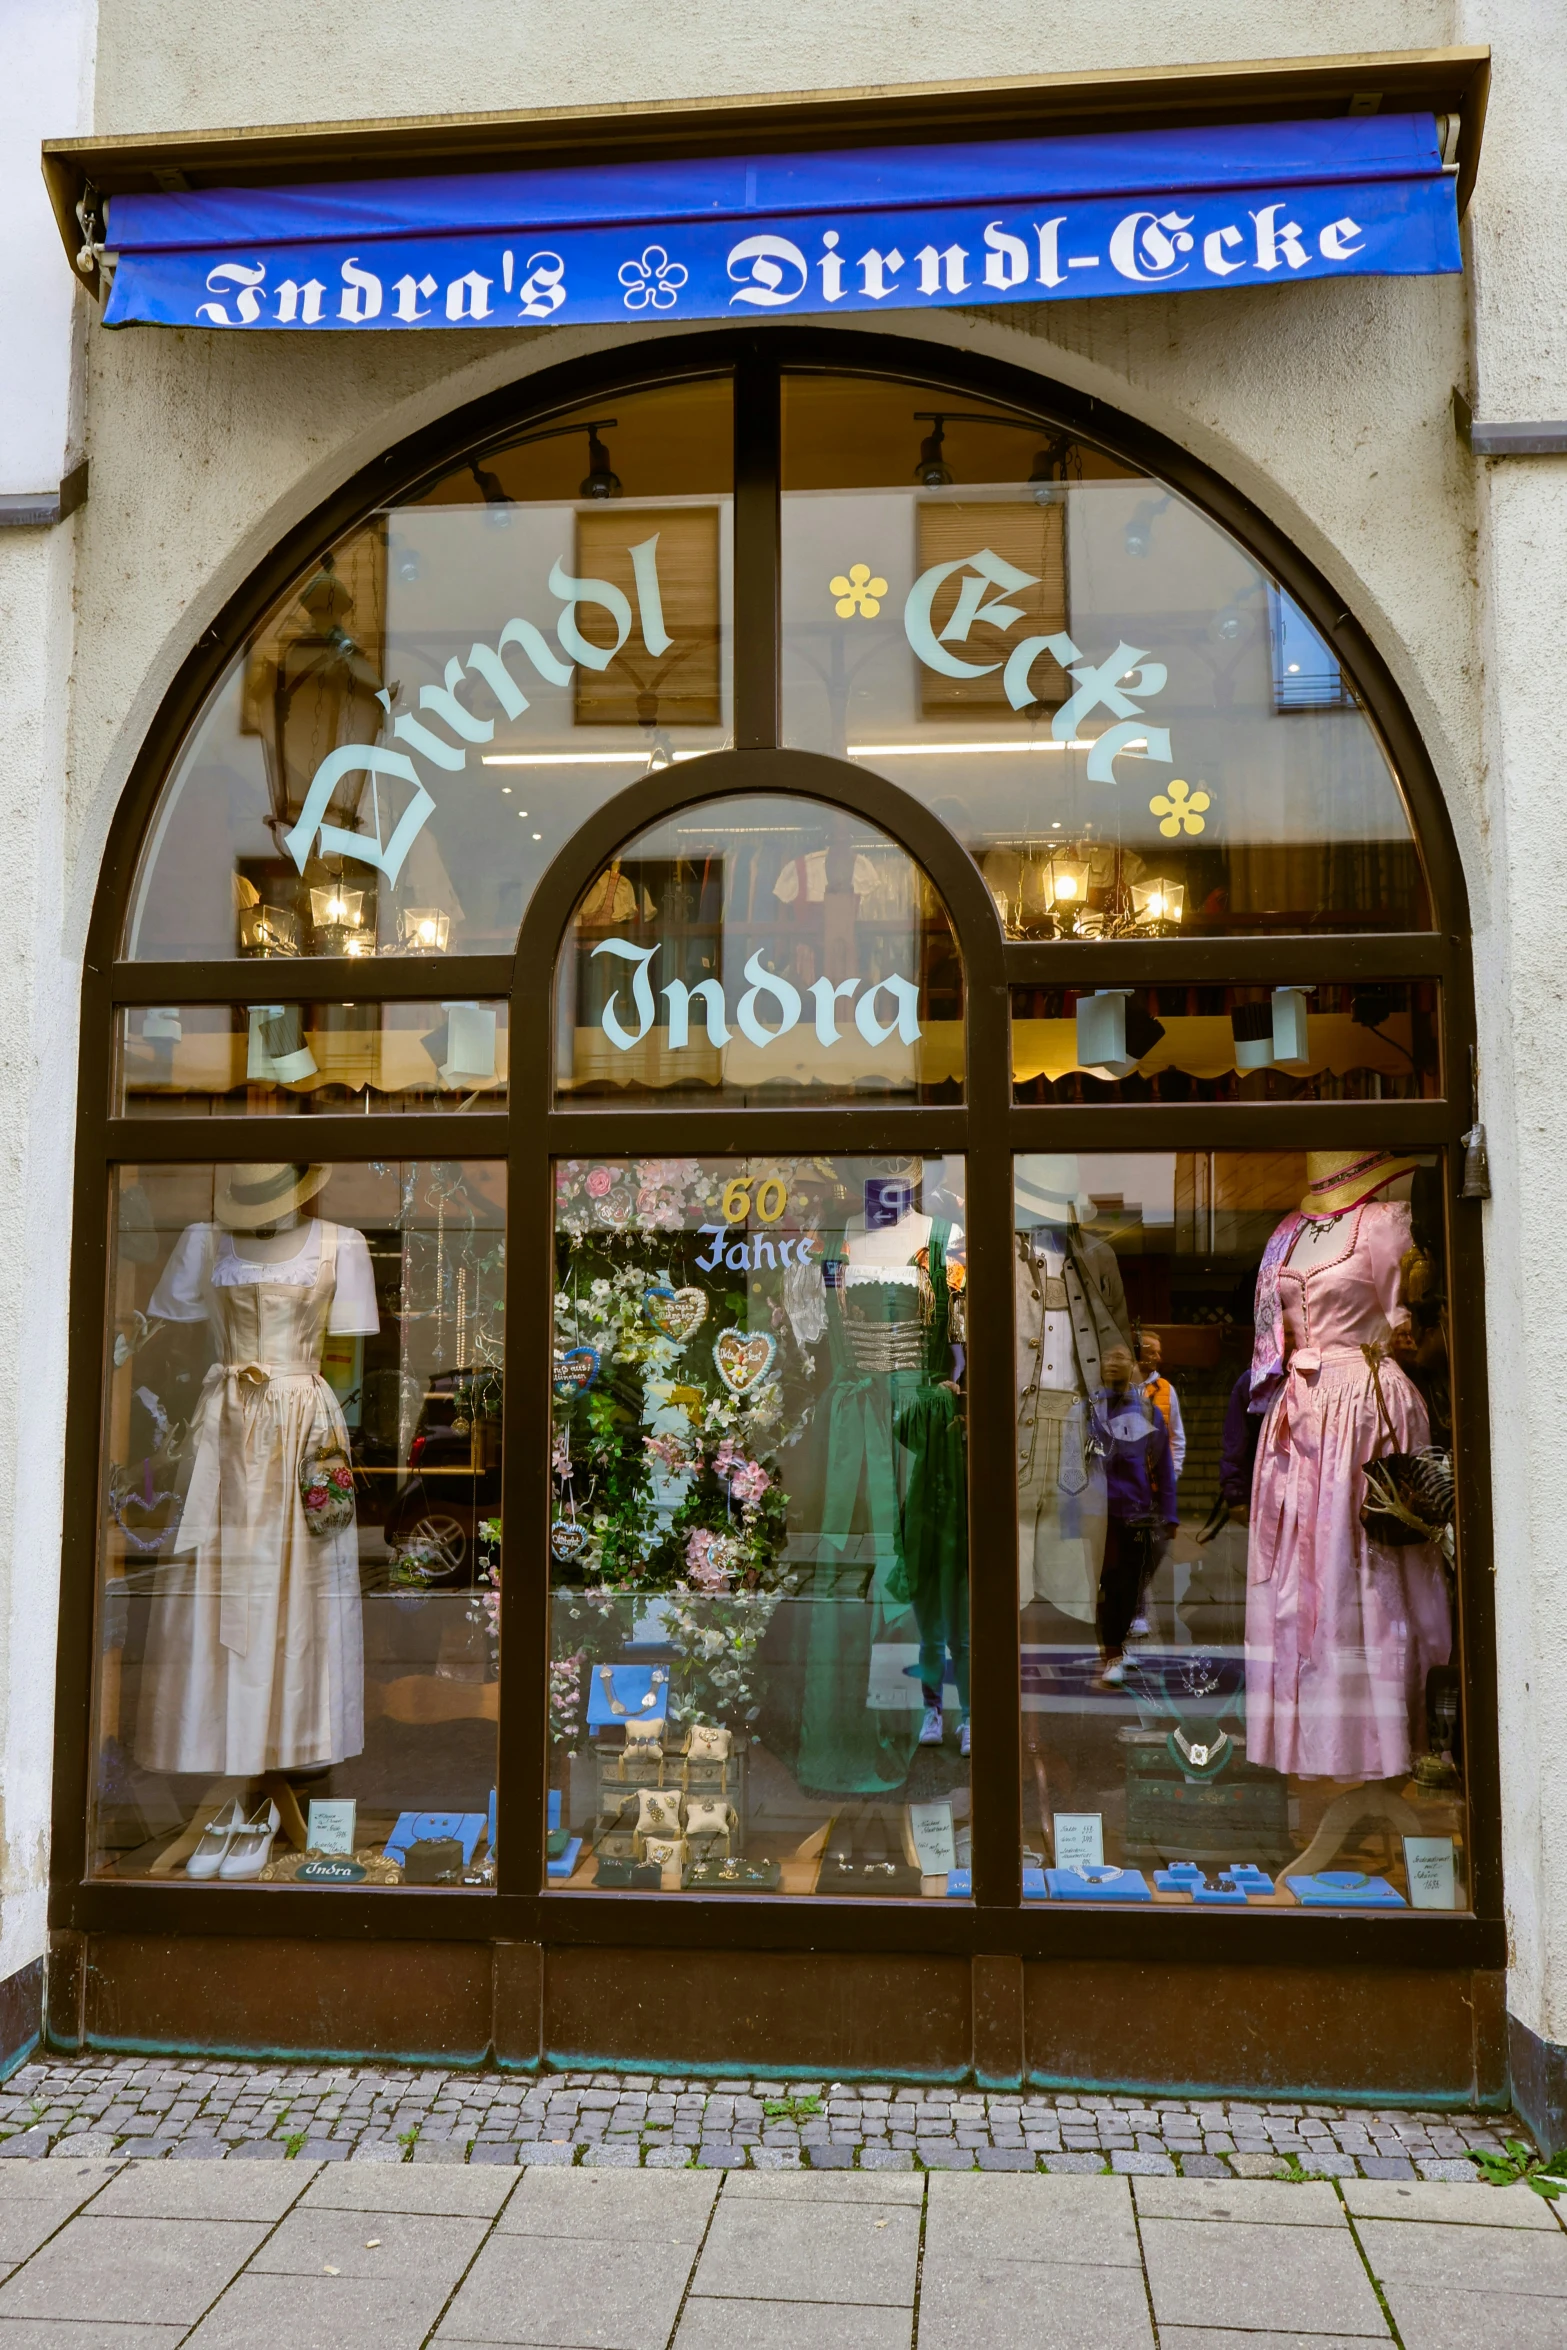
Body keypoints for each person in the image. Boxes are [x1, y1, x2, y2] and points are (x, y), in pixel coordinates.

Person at [1079, 1345, 1177, 1688]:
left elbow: (1163, 1465)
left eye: (1121, 1364)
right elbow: (1071, 1464)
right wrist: (1072, 1515)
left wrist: (1170, 1512)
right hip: (1099, 1515)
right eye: (1109, 1363)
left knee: (1130, 1586)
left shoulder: (1149, 1412)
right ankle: (1112, 1653)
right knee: (1109, 1587)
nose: (1114, 1368)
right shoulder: (1087, 1412)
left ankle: (1115, 1646)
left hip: (1136, 1513)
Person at [1126, 1329, 1184, 1638]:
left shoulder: (1166, 1390)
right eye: (1152, 1350)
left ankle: (1137, 1606)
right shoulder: (1120, 1389)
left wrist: (1171, 1474)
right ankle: (1134, 1609)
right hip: (1128, 1486)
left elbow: (1177, 1436)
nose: (1158, 1357)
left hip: (1156, 1486)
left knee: (1153, 1550)